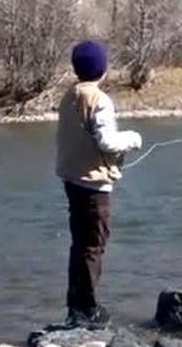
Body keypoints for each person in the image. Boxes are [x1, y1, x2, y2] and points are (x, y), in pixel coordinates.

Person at [55, 40, 142, 328]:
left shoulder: (69, 95)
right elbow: (106, 141)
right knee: (93, 245)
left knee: (79, 244)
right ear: (102, 69)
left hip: (72, 180)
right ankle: (89, 310)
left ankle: (74, 308)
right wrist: (132, 139)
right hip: (94, 185)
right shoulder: (99, 100)